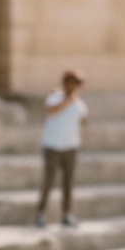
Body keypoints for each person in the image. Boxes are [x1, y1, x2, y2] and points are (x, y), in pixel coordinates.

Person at [37, 69, 89, 228]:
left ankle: (66, 214)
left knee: (68, 183)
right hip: (52, 145)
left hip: (70, 147)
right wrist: (67, 99)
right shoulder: (54, 98)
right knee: (49, 181)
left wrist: (74, 100)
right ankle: (41, 213)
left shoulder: (79, 103)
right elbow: (51, 111)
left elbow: (85, 120)